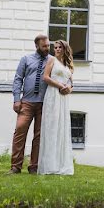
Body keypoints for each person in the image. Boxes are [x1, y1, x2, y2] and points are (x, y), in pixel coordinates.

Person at [9, 34, 69, 174]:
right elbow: (18, 79)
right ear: (36, 46)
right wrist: (17, 99)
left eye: (48, 45)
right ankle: (15, 167)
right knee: (20, 130)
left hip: (45, 104)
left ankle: (34, 167)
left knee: (39, 136)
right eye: (44, 46)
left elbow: (65, 74)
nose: (47, 48)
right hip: (27, 102)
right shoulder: (26, 59)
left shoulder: (53, 60)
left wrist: (68, 87)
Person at [38, 39, 75, 175]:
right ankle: (49, 165)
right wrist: (60, 86)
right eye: (56, 47)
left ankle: (61, 164)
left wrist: (69, 89)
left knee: (62, 128)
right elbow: (46, 77)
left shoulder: (68, 65)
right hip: (53, 95)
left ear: (65, 49)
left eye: (60, 47)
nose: (57, 49)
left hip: (64, 98)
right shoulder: (51, 60)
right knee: (52, 127)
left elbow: (71, 83)